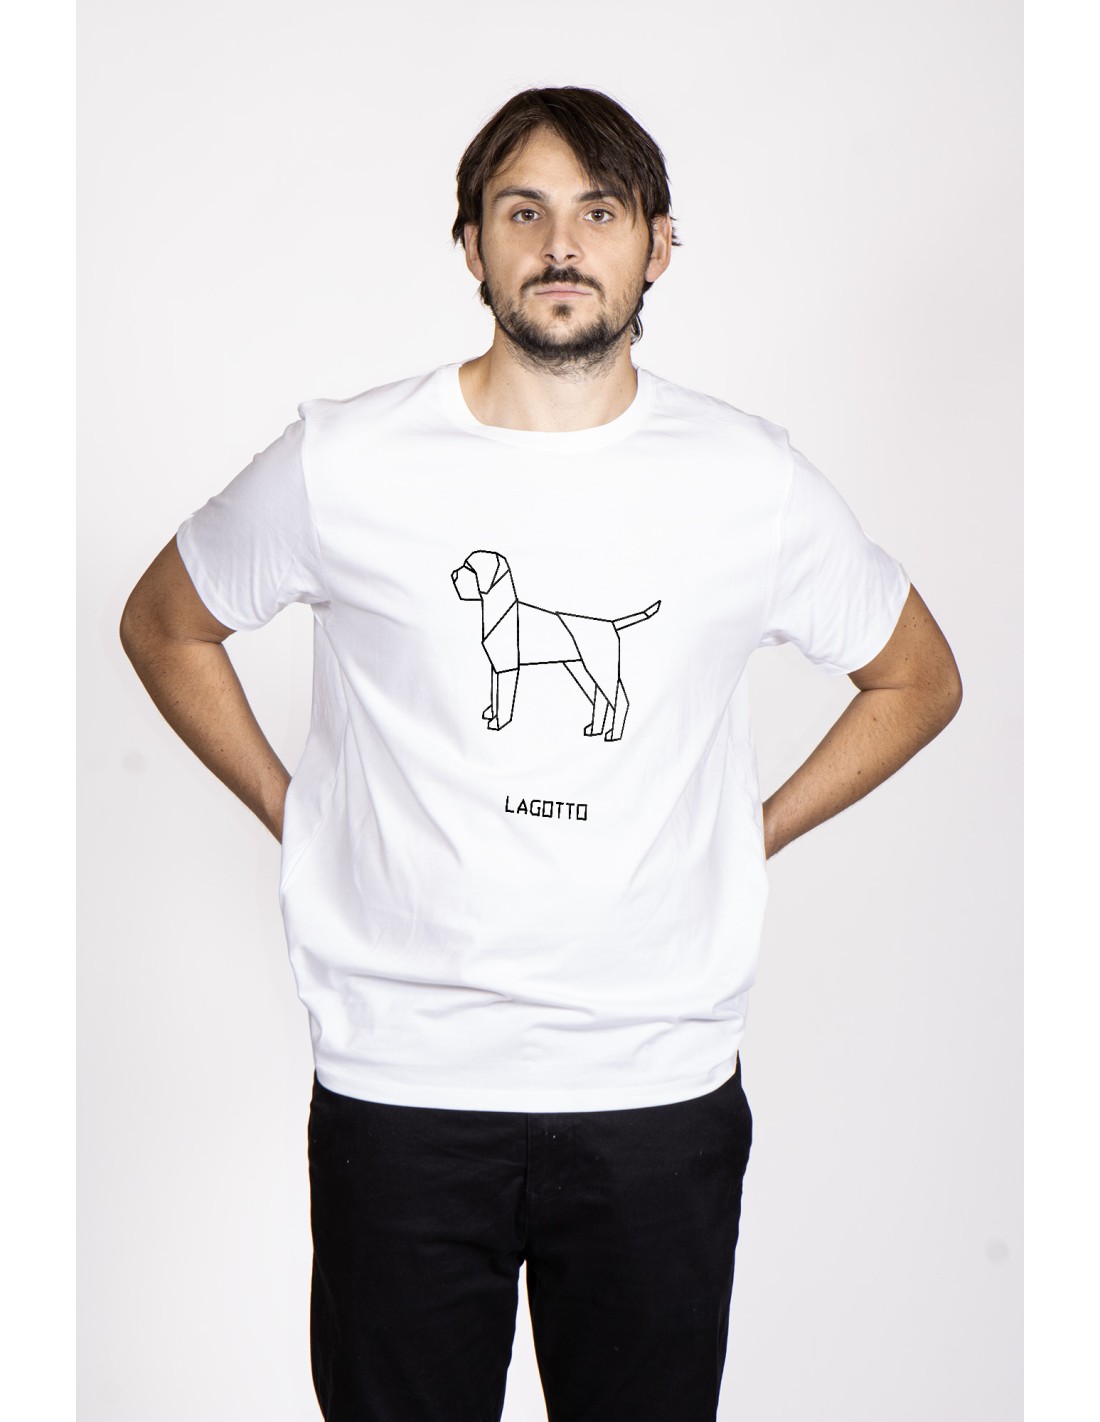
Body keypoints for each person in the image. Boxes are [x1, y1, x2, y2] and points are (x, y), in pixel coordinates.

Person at [120, 86, 962, 1422]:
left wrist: (748, 831)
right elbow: (167, 623)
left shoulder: (748, 479)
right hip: (402, 1085)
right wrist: (303, 810)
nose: (561, 243)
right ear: (472, 244)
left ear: (658, 246)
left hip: (657, 1090)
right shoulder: (346, 460)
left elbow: (917, 676)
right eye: (524, 211)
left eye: (599, 212)